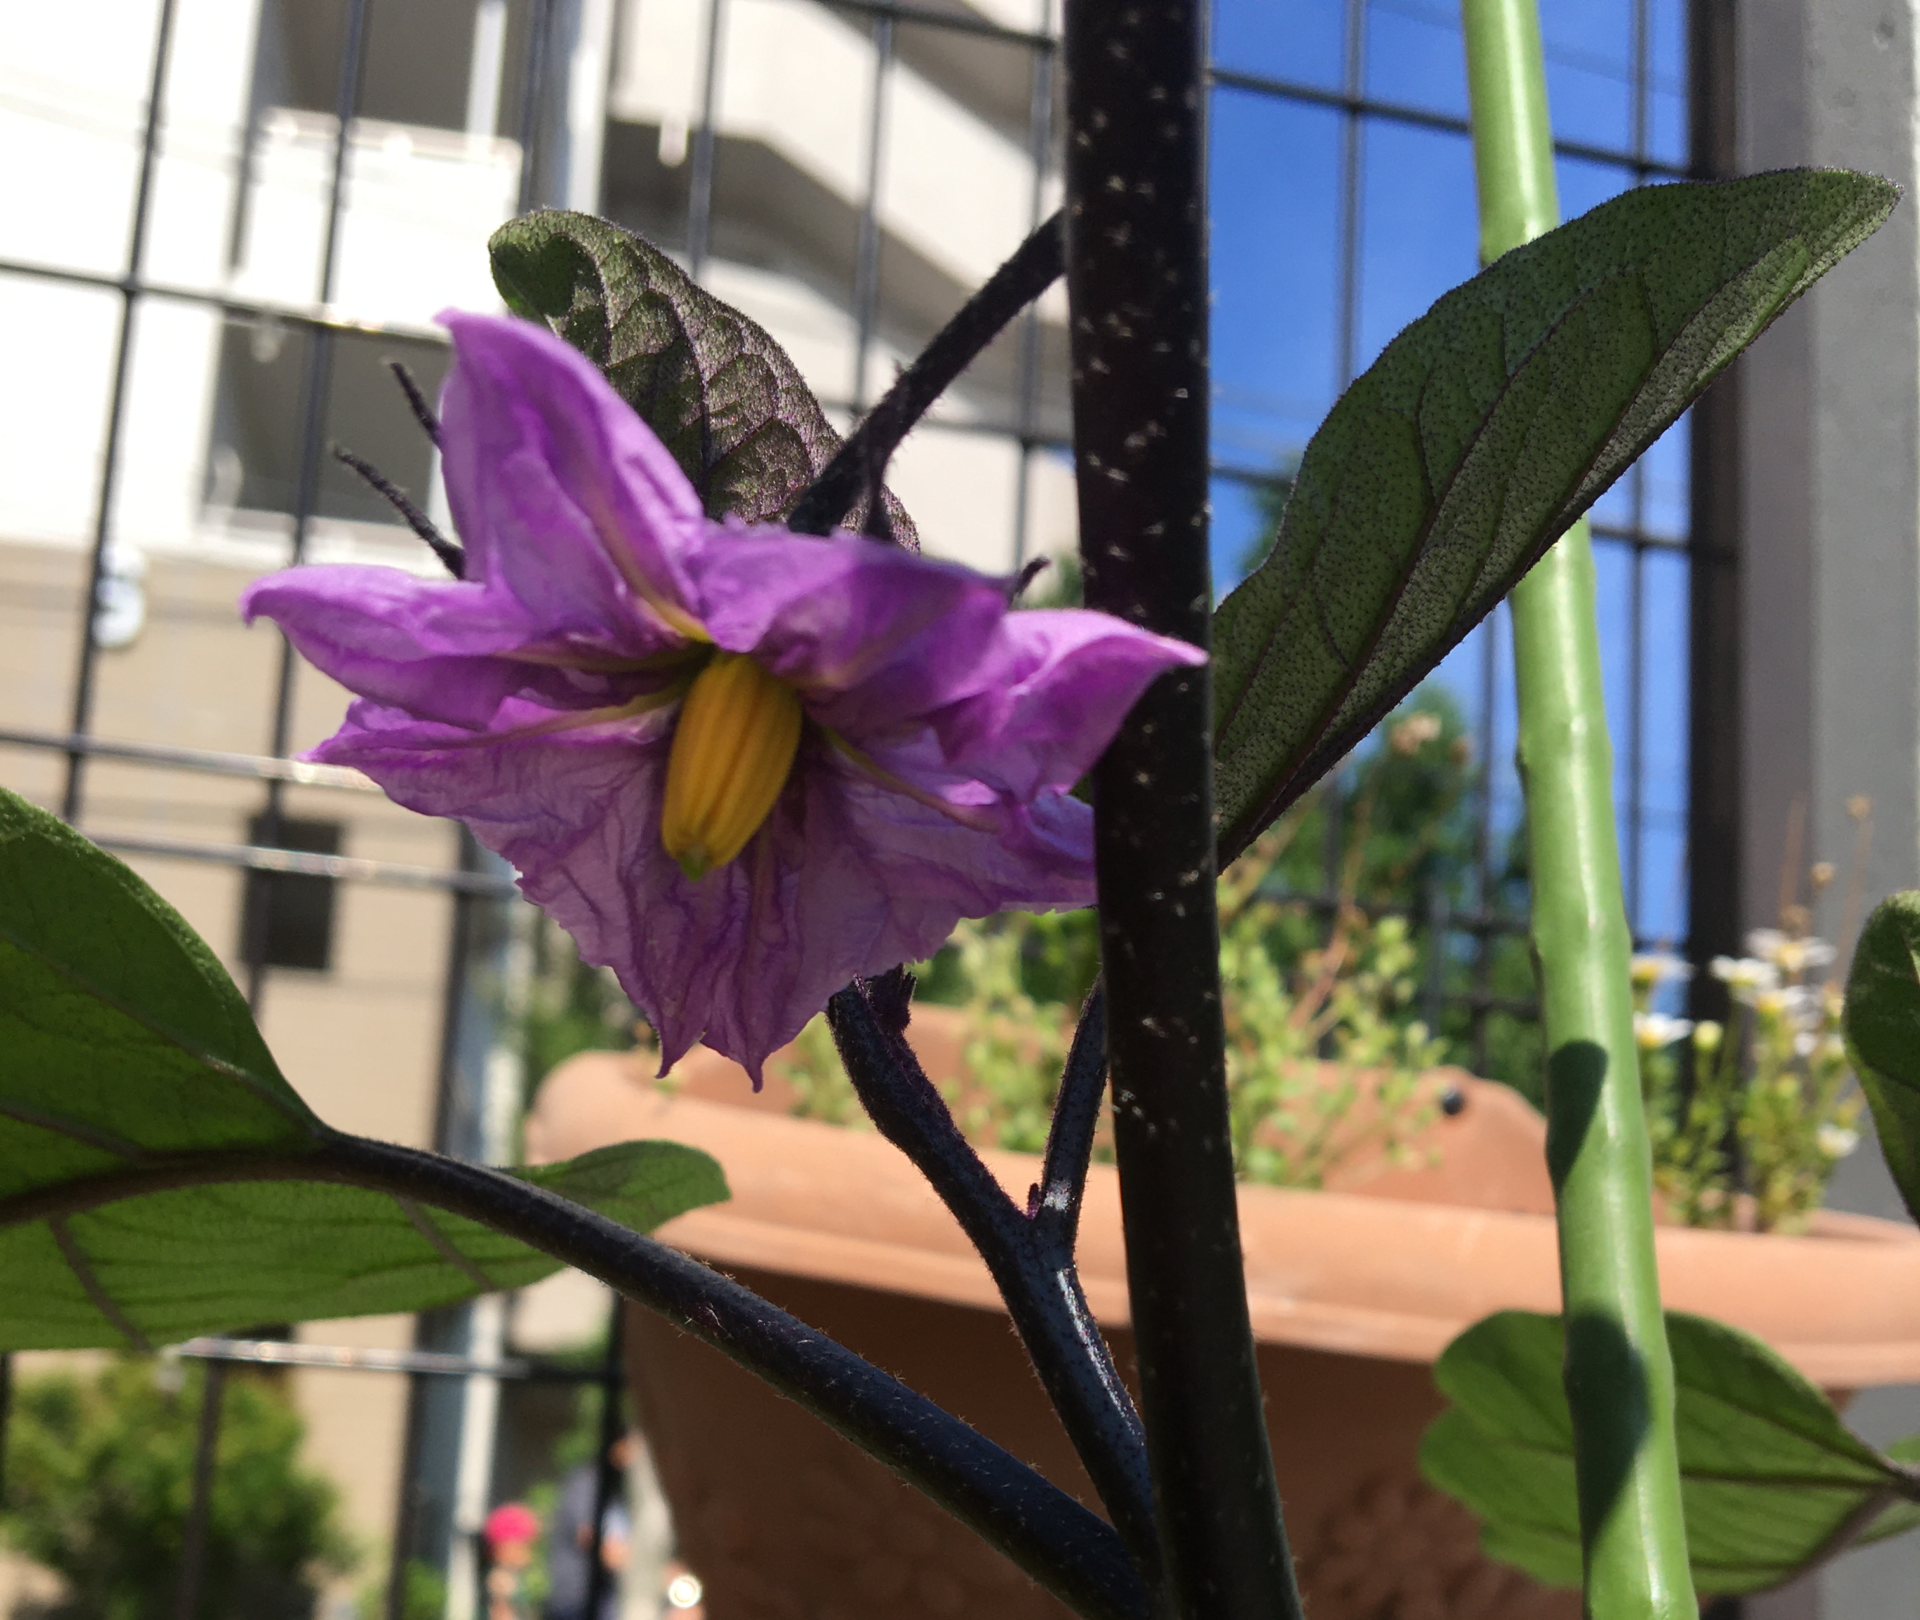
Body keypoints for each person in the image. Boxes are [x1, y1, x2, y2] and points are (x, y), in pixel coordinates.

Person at [542, 1438, 632, 1620]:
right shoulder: (588, 1483)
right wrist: (647, 1571)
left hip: (608, 1599)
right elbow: (590, 1537)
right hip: (577, 1601)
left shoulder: (622, 1490)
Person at [484, 1503, 541, 1620]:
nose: (529, 1555)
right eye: (524, 1547)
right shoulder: (502, 1579)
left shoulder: (515, 1576)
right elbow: (500, 1613)